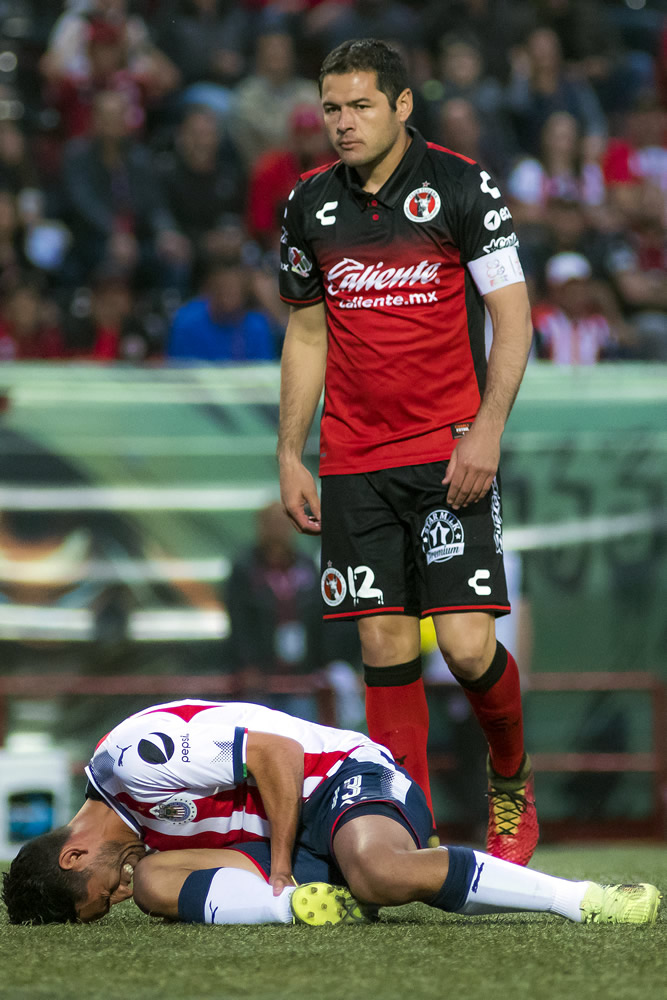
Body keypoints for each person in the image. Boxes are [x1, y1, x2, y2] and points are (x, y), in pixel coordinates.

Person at [277, 38, 537, 864]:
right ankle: (407, 833)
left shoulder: (461, 185)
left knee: (462, 647)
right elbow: (307, 329)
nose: (343, 124)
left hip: (449, 454)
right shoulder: (308, 205)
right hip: (353, 459)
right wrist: (291, 451)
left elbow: (514, 316)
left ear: (401, 106)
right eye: (331, 109)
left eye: (359, 106)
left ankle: (510, 776)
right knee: (382, 648)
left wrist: (487, 431)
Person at [2, 699, 661, 928]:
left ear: (74, 856)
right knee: (157, 886)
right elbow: (214, 852)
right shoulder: (140, 839)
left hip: (336, 776)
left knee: (377, 872)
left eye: (99, 894)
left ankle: (581, 899)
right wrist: (282, 889)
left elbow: (277, 754)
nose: (115, 893)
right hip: (286, 848)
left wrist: (282, 865)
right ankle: (303, 908)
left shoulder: (129, 760)